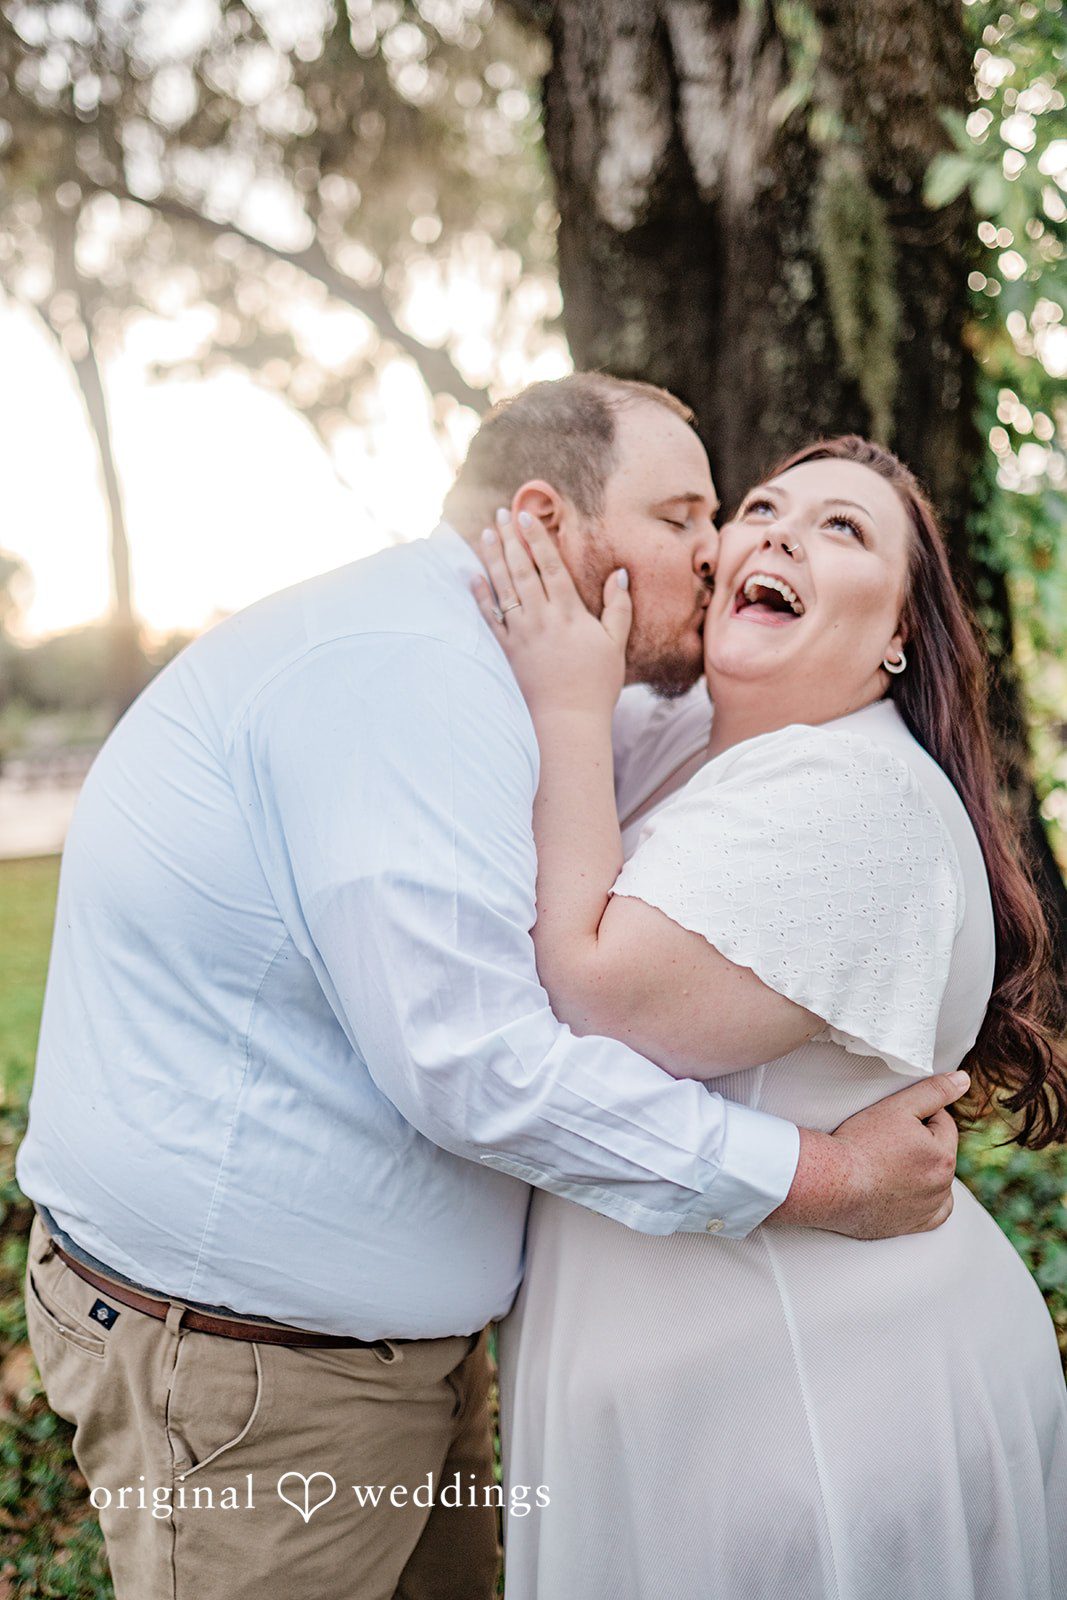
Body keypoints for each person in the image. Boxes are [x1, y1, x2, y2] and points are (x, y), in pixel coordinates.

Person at [18, 379, 969, 1600]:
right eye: (683, 515)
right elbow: (478, 1069)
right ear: (544, 519)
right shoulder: (404, 684)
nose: (719, 545)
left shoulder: (537, 682)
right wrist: (827, 1174)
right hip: (246, 1377)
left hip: (381, 1362)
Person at [476, 434, 1067, 1600]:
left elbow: (590, 995)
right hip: (710, 1389)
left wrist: (565, 702)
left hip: (796, 1420)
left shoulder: (847, 797)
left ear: (901, 633)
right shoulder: (731, 766)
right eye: (760, 506)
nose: (776, 531)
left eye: (841, 527)